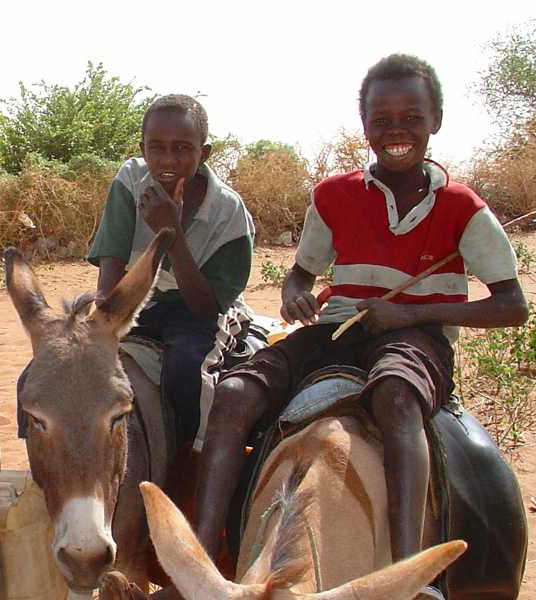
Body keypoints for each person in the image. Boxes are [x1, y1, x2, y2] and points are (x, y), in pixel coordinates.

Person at [189, 55, 528, 600]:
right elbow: (300, 274)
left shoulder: (462, 207)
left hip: (419, 337)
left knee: (395, 399)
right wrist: (295, 294)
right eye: (382, 118)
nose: (396, 130)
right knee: (233, 393)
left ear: (435, 120)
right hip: (339, 331)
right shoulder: (334, 196)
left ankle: (409, 574)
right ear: (365, 124)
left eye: (411, 117)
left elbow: (513, 306)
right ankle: (202, 564)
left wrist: (415, 314)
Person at [87, 94, 255, 446]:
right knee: (61, 363)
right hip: (139, 301)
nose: (167, 160)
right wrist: (103, 316)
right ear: (142, 147)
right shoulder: (131, 181)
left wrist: (172, 232)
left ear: (204, 153)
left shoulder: (228, 212)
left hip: (201, 311)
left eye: (181, 149)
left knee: (188, 369)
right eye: (156, 148)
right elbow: (112, 267)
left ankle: (189, 459)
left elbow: (206, 306)